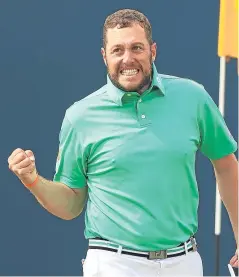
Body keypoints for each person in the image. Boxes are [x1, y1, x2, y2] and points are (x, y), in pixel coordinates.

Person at [8, 8, 238, 277]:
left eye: (136, 48)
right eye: (118, 50)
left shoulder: (193, 97)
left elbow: (226, 166)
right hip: (114, 264)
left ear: (153, 51)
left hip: (184, 262)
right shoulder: (80, 117)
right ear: (105, 56)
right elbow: (70, 205)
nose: (128, 59)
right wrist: (32, 179)